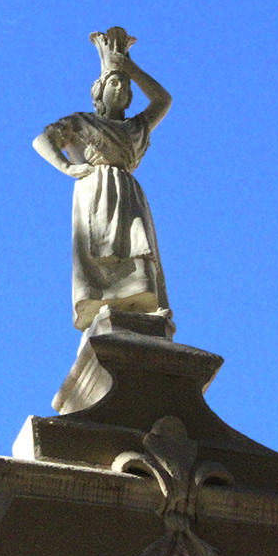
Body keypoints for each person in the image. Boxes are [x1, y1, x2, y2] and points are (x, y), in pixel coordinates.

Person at [33, 28, 172, 331]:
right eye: (113, 83)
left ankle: (138, 303)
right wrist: (67, 167)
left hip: (127, 192)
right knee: (101, 250)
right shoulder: (82, 123)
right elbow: (43, 140)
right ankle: (106, 301)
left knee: (137, 246)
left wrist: (129, 68)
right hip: (96, 190)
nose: (120, 88)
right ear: (99, 92)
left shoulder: (137, 128)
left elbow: (163, 99)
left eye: (125, 86)